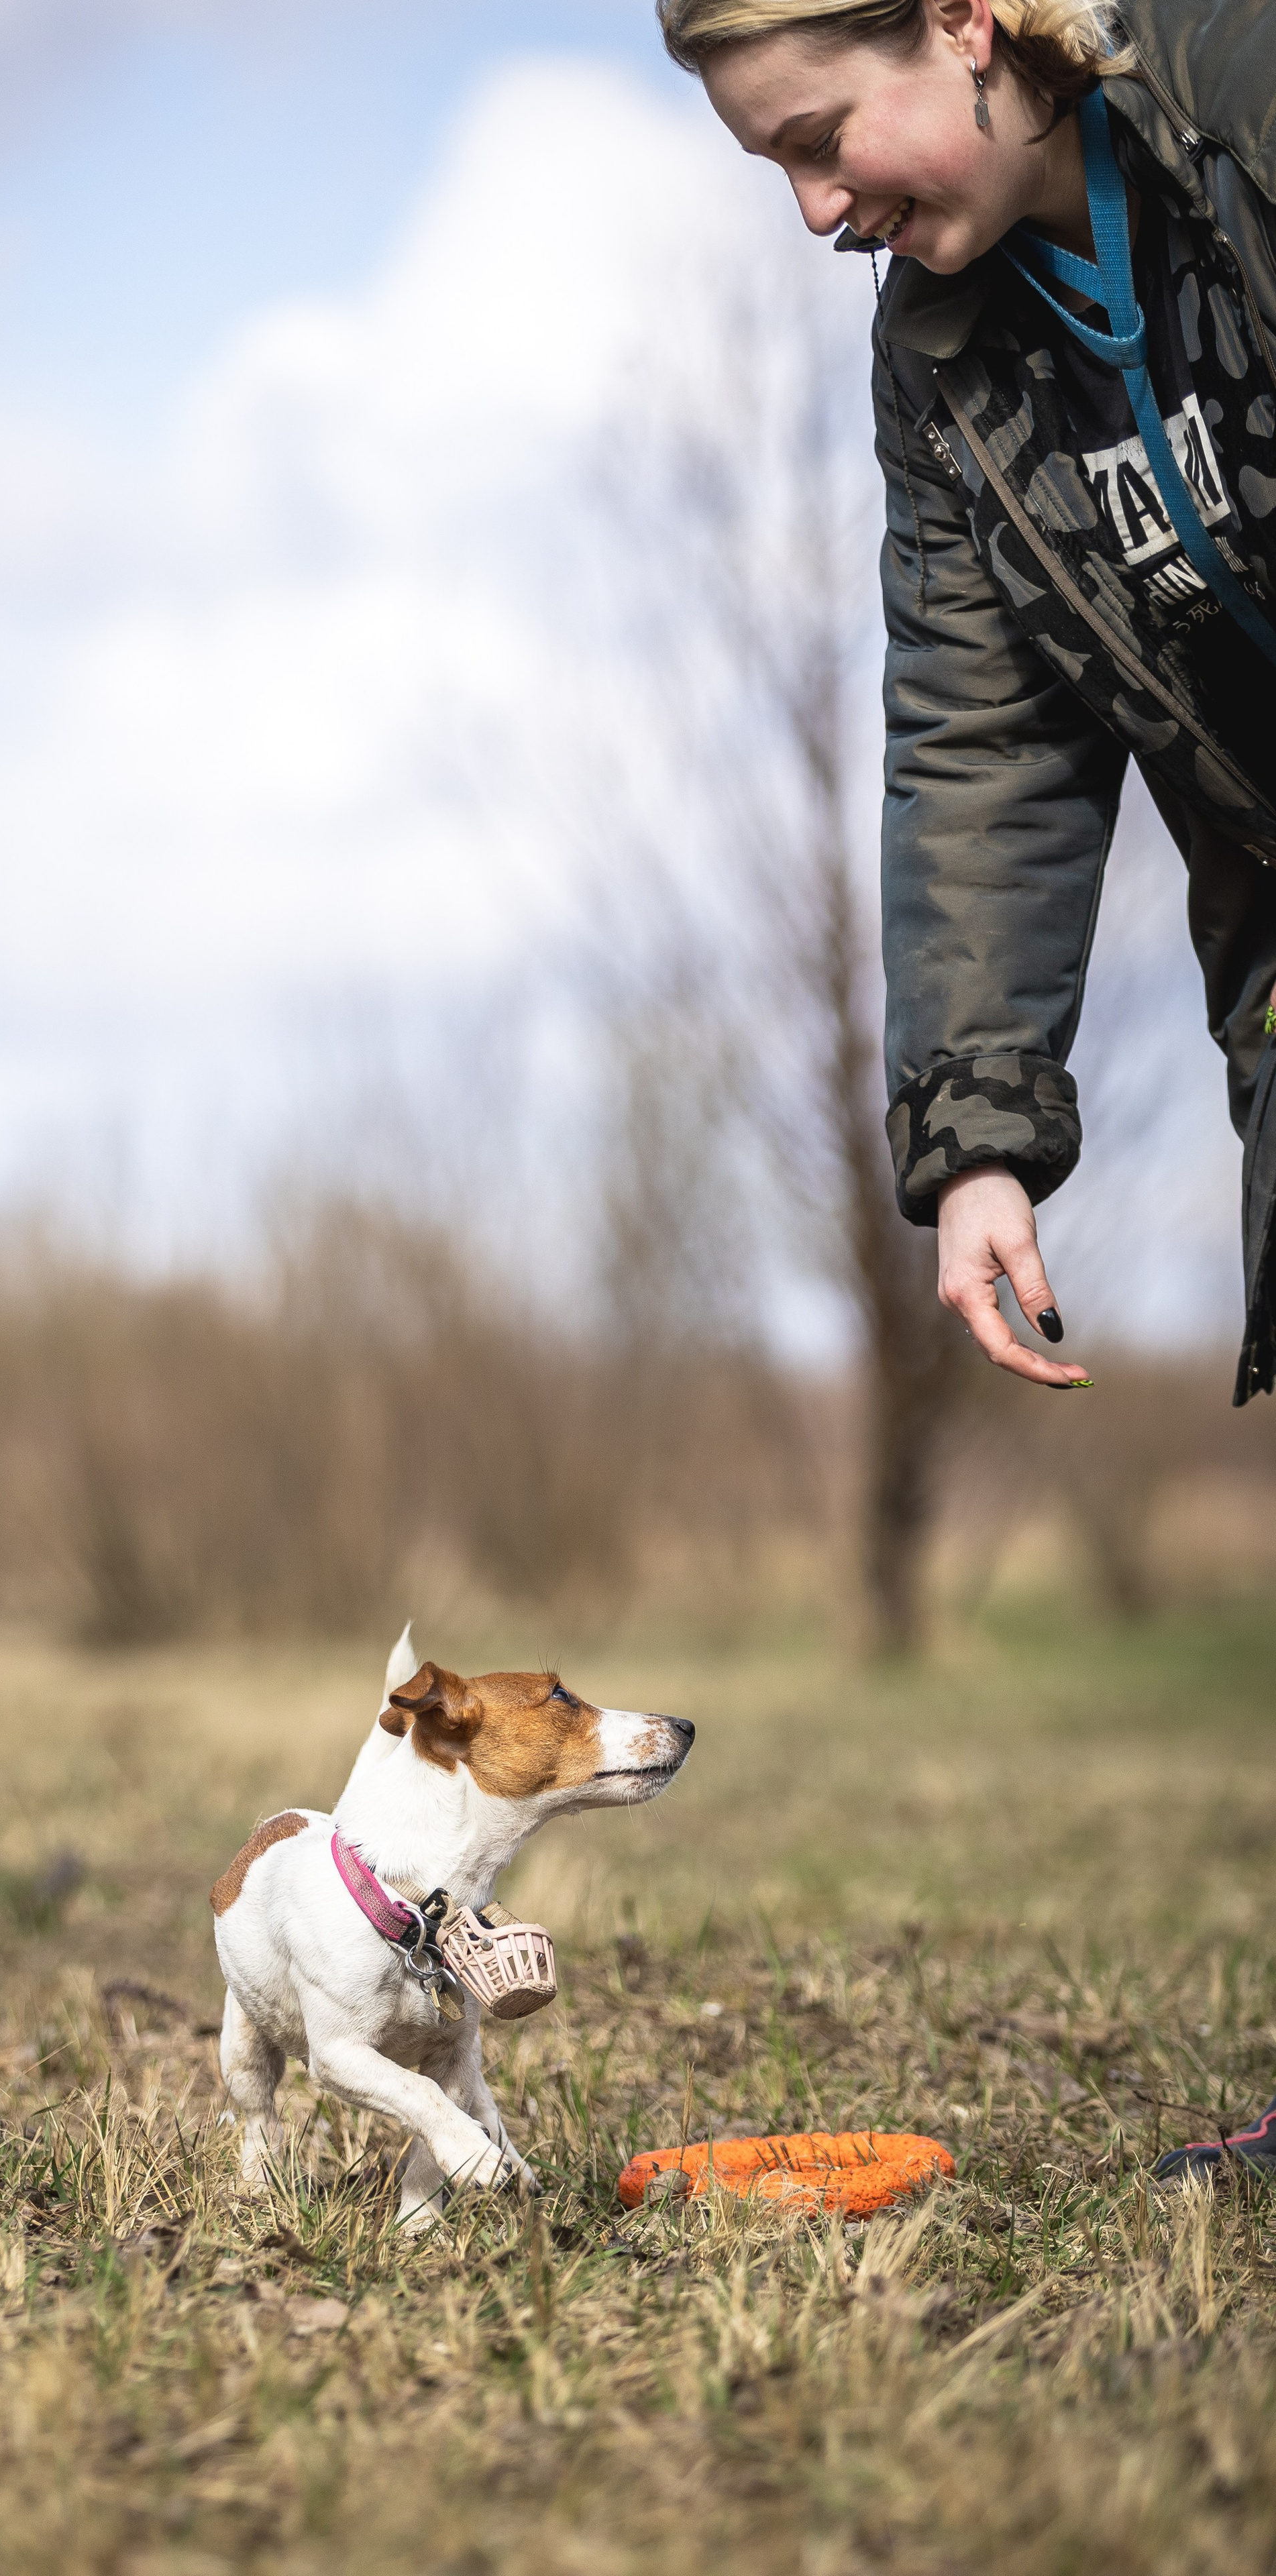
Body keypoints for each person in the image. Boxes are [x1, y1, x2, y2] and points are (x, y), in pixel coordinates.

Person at [656, 0, 1276, 2178]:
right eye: (778, 173)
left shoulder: (1245, 105)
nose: (821, 205)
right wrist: (980, 1133)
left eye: (826, 134)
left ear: (963, 18)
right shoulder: (951, 362)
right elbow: (987, 735)